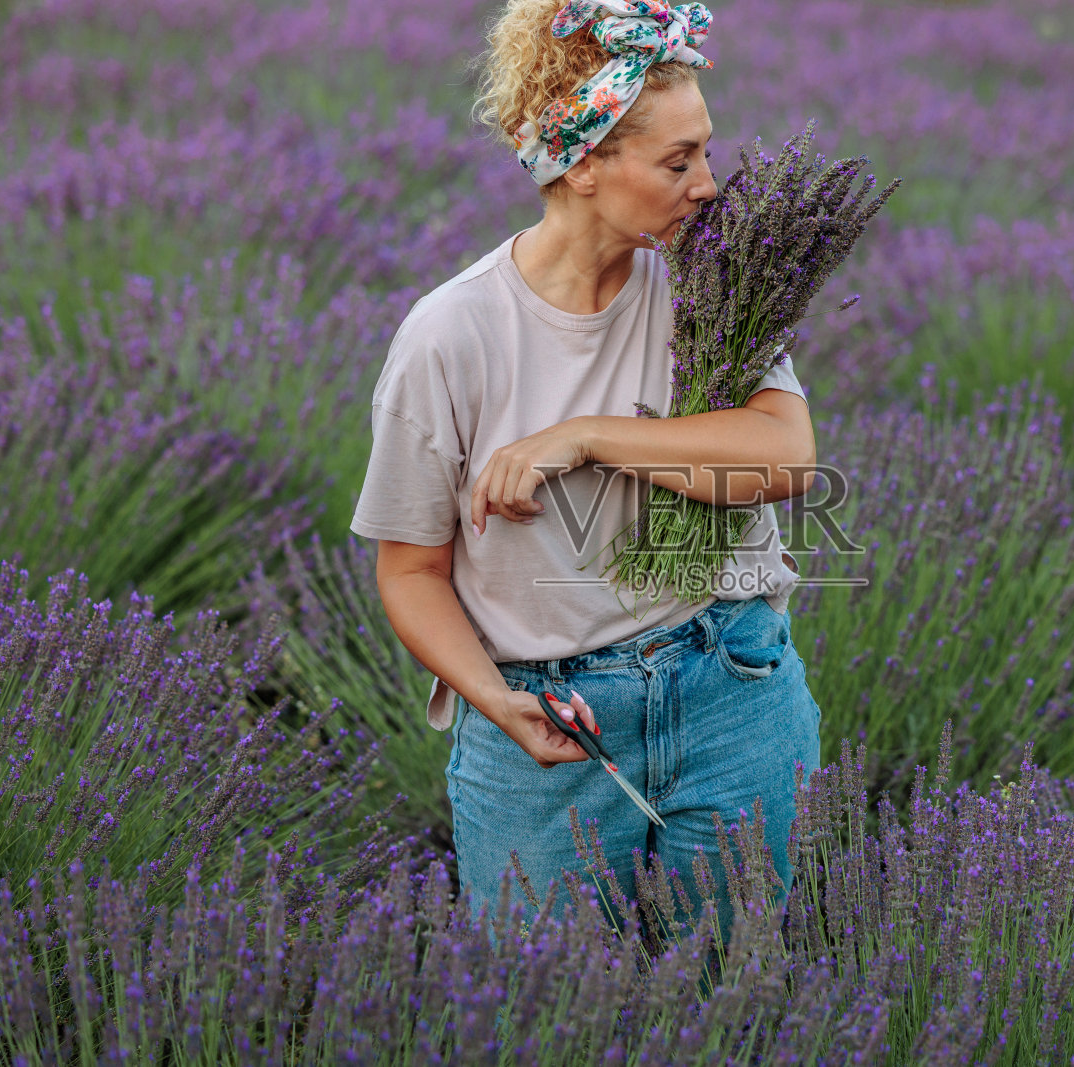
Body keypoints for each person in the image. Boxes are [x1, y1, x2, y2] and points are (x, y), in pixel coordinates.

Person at [348, 0, 823, 954]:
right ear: (583, 163)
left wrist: (589, 436)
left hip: (732, 687)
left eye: (706, 151)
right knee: (544, 1007)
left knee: (740, 994)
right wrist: (494, 698)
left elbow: (784, 460)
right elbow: (408, 572)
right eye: (677, 161)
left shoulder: (712, 289)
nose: (710, 186)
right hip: (548, 726)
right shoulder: (450, 337)